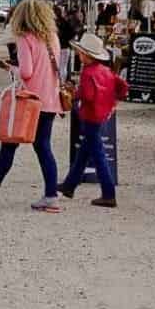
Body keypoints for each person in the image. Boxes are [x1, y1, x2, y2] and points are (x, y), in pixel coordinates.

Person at [0, 0, 65, 212]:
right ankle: (51, 195)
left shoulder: (25, 38)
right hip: (49, 99)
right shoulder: (52, 38)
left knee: (9, 143)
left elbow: (27, 72)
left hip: (30, 100)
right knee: (43, 147)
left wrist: (11, 68)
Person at [58, 32, 127, 207]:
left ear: (86, 55)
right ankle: (69, 185)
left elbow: (87, 95)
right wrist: (112, 101)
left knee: (98, 155)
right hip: (101, 114)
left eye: (80, 52)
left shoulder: (87, 72)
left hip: (90, 116)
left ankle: (108, 194)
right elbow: (122, 86)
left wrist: (74, 94)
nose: (78, 54)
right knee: (84, 152)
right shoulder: (105, 70)